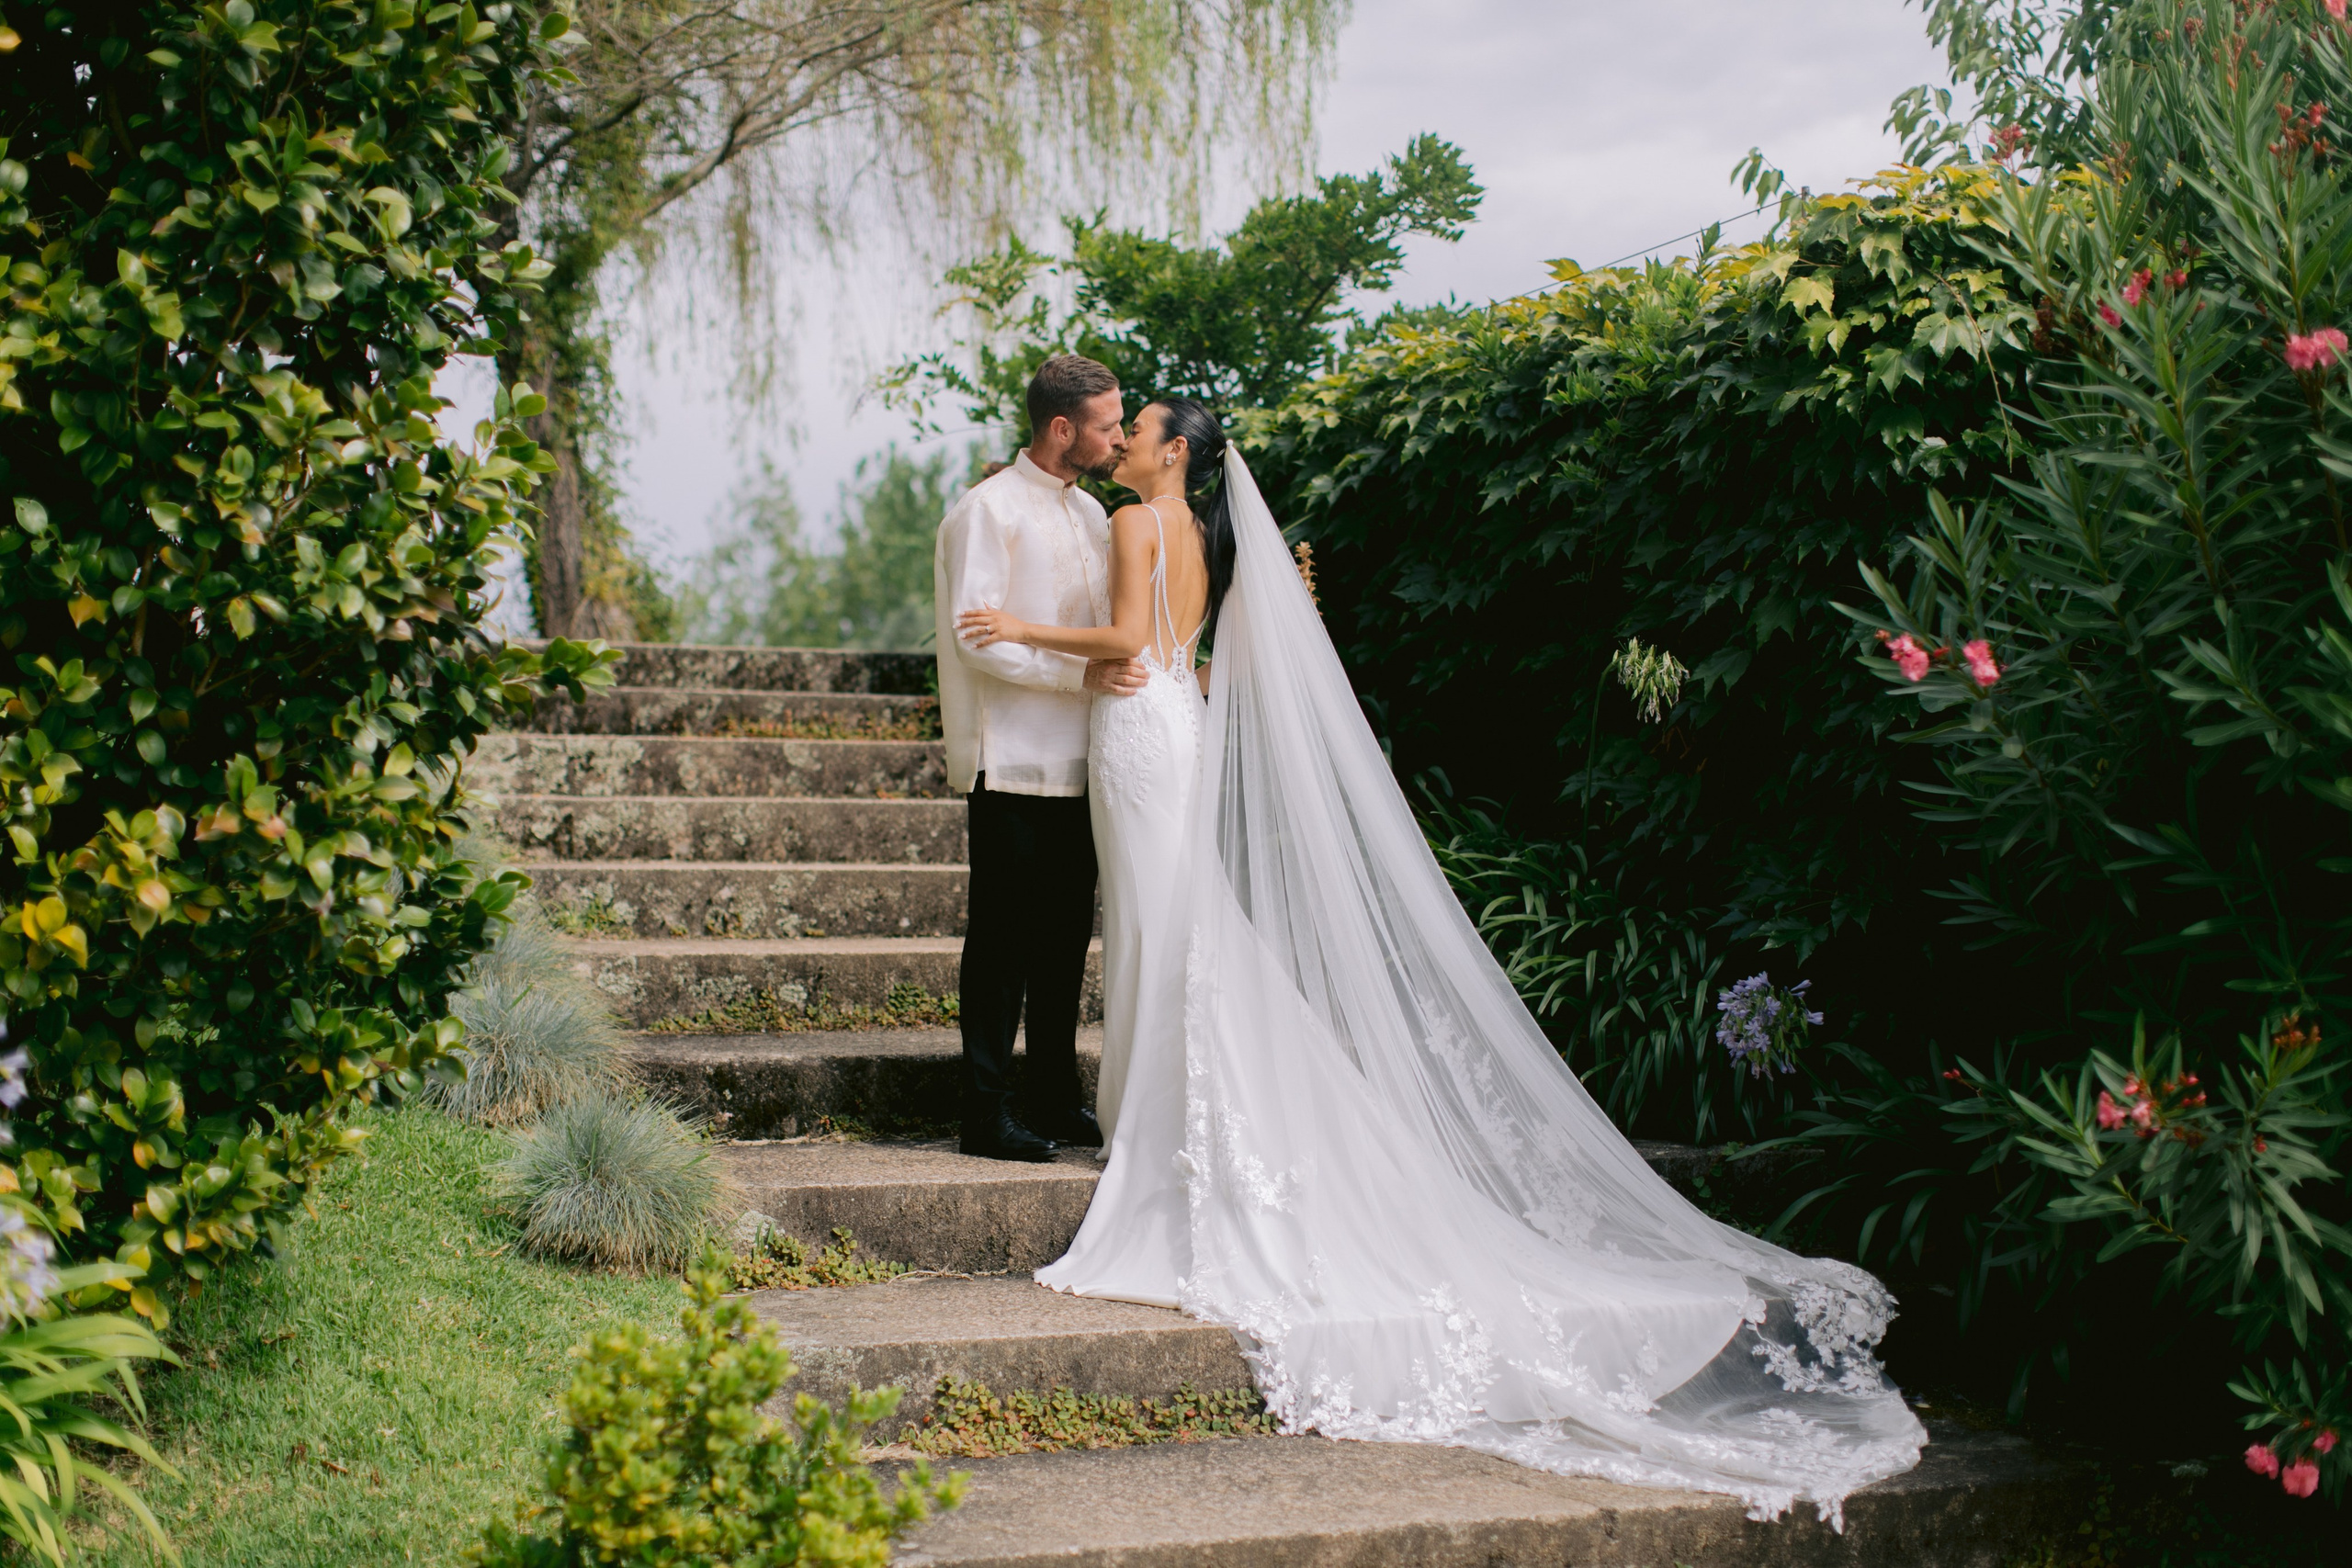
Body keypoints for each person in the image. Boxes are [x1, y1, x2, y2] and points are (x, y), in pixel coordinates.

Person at [958, 402, 1929, 1525]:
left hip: (1139, 737)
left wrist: (1025, 635)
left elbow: (1127, 645)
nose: (1122, 439)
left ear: (1173, 452)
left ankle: (1164, 1116)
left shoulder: (1137, 524)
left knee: (1163, 928)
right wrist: (1111, 666)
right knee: (1176, 926)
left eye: (1141, 430)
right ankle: (1158, 1105)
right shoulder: (1208, 537)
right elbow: (1182, 656)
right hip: (1171, 724)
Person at [933, 353, 1144, 1162]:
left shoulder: (1094, 515)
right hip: (1013, 760)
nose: (1118, 438)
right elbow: (975, 637)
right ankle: (983, 1113)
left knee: (1063, 941)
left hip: (1088, 759)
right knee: (1001, 942)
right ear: (1064, 428)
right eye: (1107, 424)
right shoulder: (986, 511)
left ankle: (1053, 1096)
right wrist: (1077, 671)